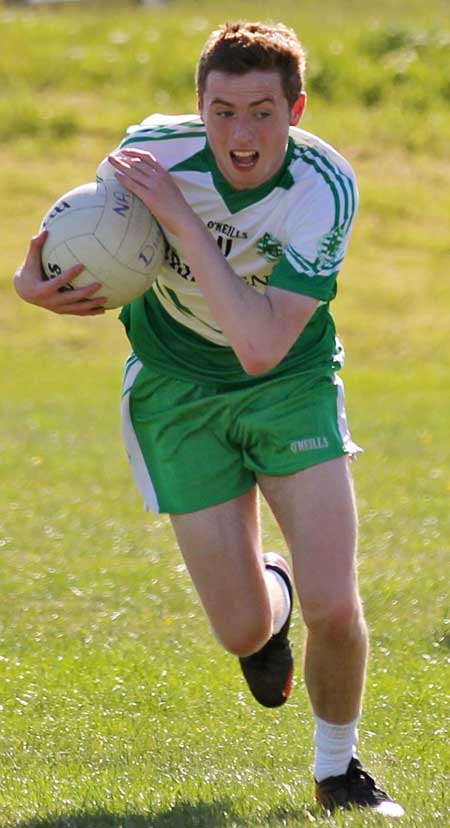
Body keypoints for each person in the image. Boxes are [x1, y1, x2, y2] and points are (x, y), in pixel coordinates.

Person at [14, 21, 404, 817]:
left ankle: (339, 771)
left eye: (262, 111)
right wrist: (31, 283)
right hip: (175, 387)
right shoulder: (149, 158)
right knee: (239, 632)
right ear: (198, 105)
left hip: (286, 382)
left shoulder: (323, 188)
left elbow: (262, 346)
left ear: (295, 110)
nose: (241, 132)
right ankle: (273, 603)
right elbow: (78, 240)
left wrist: (188, 226)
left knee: (338, 603)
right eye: (222, 110)